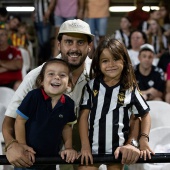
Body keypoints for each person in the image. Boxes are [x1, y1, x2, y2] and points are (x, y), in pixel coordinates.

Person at [2, 19, 140, 170]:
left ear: (89, 46)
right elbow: (10, 120)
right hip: (40, 155)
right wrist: (11, 144)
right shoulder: (37, 76)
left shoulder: (102, 71)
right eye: (68, 42)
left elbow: (134, 111)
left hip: (86, 153)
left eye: (80, 42)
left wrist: (132, 142)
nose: (74, 48)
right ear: (59, 44)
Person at [78, 38, 154, 170]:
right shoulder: (92, 86)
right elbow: (84, 117)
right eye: (105, 61)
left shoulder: (130, 88)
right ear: (98, 63)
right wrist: (84, 146)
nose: (111, 64)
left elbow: (145, 115)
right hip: (92, 151)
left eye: (116, 59)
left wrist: (143, 139)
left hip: (117, 153)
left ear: (124, 60)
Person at [14, 58, 78, 170]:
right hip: (27, 158)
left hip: (50, 159)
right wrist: (22, 145)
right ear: (41, 81)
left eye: (62, 75)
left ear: (68, 84)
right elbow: (19, 121)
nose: (57, 77)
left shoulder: (69, 104)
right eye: (51, 74)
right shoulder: (33, 96)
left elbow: (66, 127)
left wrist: (68, 147)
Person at [0, 23, 23, 91]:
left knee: (20, 86)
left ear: (7, 36)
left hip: (13, 82)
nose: (0, 37)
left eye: (2, 35)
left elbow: (18, 65)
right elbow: (15, 65)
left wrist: (1, 64)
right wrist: (11, 66)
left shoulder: (14, 50)